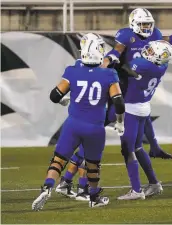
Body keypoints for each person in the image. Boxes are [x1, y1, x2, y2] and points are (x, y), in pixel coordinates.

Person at [104, 8, 172, 159]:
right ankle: (83, 147)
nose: (147, 27)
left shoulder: (155, 34)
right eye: (143, 24)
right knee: (112, 114)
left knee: (142, 111)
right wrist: (106, 61)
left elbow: (170, 40)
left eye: (148, 24)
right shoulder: (126, 35)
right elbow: (116, 50)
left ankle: (154, 148)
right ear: (134, 23)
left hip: (138, 78)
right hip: (123, 77)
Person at [32, 38, 125, 211]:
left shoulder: (72, 71)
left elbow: (54, 96)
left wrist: (64, 100)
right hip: (95, 127)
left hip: (72, 124)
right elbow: (119, 103)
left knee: (58, 160)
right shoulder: (108, 74)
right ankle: (94, 196)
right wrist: (120, 122)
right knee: (92, 165)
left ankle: (47, 186)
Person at [117, 40, 172, 200]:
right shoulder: (162, 66)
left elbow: (125, 67)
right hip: (143, 107)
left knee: (127, 150)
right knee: (137, 148)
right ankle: (154, 183)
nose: (147, 52)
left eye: (151, 52)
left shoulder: (144, 65)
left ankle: (136, 190)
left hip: (131, 108)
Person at [55, 33, 106, 202]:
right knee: (88, 155)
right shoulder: (98, 69)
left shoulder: (79, 66)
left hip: (85, 116)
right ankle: (84, 188)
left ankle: (66, 182)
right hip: (89, 117)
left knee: (82, 153)